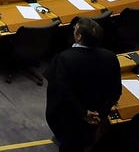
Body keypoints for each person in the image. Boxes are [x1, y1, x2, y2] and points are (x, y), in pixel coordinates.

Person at [45, 18, 122, 152]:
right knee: (85, 139)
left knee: (70, 143)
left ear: (79, 36)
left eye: (75, 28)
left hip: (70, 115)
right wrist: (101, 113)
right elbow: (115, 90)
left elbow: (62, 91)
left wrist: (83, 113)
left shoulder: (65, 58)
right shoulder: (111, 57)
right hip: (96, 114)